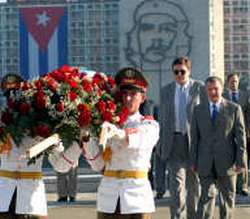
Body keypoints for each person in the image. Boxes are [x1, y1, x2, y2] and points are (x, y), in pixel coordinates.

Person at [0, 74, 82, 219]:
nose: (11, 98)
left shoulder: (44, 123)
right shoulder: (3, 123)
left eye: (16, 93)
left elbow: (60, 166)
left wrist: (78, 143)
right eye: (8, 94)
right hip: (3, 197)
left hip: (32, 199)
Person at [82, 67, 160, 219]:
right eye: (124, 93)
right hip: (109, 197)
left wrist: (118, 133)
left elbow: (138, 140)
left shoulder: (148, 124)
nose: (128, 99)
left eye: (133, 94)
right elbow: (98, 164)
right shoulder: (105, 123)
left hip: (135, 198)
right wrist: (86, 138)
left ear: (142, 97)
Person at [191, 76, 246, 219]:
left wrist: (241, 162)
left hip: (228, 163)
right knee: (206, 198)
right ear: (205, 91)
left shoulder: (234, 109)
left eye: (216, 88)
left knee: (227, 201)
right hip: (205, 162)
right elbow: (195, 139)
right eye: (209, 89)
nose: (213, 92)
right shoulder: (198, 110)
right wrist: (194, 162)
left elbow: (240, 138)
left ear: (222, 89)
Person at [157, 56, 205, 218]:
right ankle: (177, 216)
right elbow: (163, 120)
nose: (179, 75)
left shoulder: (200, 88)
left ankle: (193, 216)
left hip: (195, 142)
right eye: (176, 72)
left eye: (182, 71)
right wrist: (161, 144)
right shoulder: (166, 91)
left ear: (189, 71)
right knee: (176, 185)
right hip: (174, 141)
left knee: (193, 185)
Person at [223, 73, 250, 197]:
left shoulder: (245, 96)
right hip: (226, 133)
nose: (234, 83)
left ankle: (243, 186)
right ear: (228, 82)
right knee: (228, 159)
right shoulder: (222, 96)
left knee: (242, 157)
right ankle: (229, 186)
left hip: (242, 132)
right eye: (232, 81)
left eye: (236, 81)